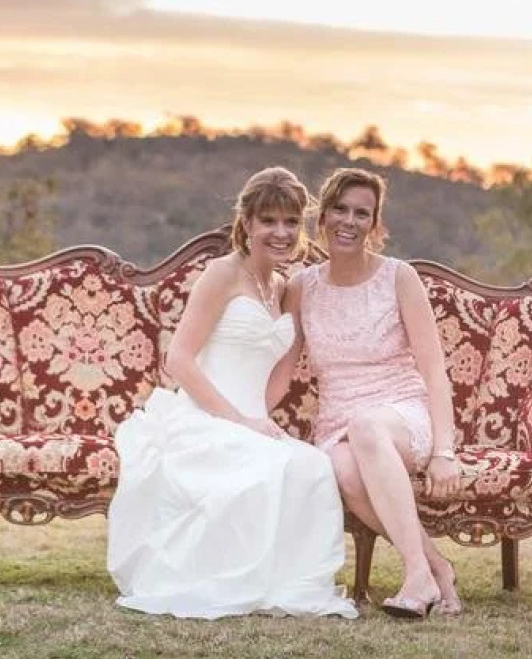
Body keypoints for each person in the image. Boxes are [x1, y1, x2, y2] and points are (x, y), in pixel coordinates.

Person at [106, 167, 357, 620]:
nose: (281, 233)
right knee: (261, 470)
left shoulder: (283, 288)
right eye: (269, 221)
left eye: (290, 222)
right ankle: (229, 581)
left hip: (254, 419)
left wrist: (262, 420)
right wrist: (238, 422)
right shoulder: (222, 274)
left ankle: (285, 585)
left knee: (311, 465)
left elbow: (280, 372)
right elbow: (179, 360)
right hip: (205, 414)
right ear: (247, 223)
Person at [284, 168, 465, 620]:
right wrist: (244, 417)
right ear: (322, 216)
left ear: (375, 224)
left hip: (401, 414)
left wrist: (445, 451)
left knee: (366, 427)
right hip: (336, 420)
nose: (348, 221)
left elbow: (435, 372)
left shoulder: (399, 278)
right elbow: (283, 367)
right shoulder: (302, 287)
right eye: (340, 210)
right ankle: (435, 570)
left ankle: (416, 575)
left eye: (361, 213)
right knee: (344, 469)